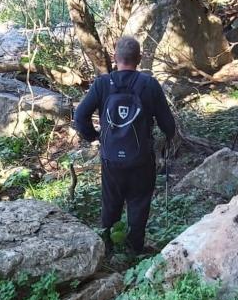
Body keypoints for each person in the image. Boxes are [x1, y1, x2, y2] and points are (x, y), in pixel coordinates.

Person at [73, 36, 176, 254]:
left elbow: (80, 116)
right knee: (139, 202)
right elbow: (168, 124)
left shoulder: (102, 84)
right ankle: (134, 249)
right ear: (139, 58)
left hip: (111, 160)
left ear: (115, 57)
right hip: (141, 159)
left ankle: (107, 248)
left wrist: (95, 137)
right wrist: (167, 137)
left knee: (111, 202)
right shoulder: (149, 85)